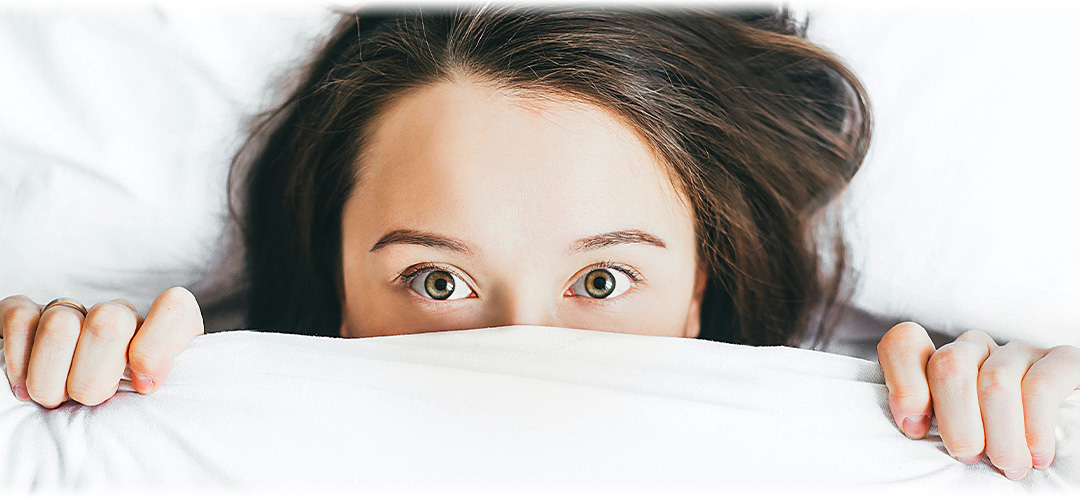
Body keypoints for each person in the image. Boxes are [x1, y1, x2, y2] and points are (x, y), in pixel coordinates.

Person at [1, 4, 1077, 482]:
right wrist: (47, 375)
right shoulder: (169, 422)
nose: (524, 345)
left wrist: (1038, 410)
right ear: (337, 289)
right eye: (437, 278)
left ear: (699, 286)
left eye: (603, 277)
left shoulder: (889, 421)